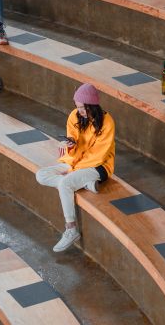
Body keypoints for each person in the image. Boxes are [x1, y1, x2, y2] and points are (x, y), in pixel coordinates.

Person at [36, 83, 115, 252]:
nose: (80, 111)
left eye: (83, 108)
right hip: (75, 162)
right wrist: (69, 144)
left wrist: (72, 170)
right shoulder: (74, 116)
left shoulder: (107, 123)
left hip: (98, 166)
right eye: (78, 107)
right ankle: (85, 184)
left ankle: (71, 229)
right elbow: (73, 139)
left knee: (65, 183)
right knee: (41, 175)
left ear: (92, 105)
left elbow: (97, 155)